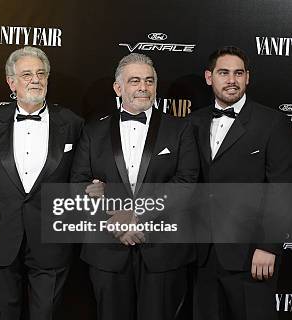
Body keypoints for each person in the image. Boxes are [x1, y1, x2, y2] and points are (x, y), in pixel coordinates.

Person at [70, 53, 199, 320]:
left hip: (163, 250)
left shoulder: (180, 129)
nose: (143, 87)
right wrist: (115, 221)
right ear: (119, 88)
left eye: (149, 81)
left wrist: (138, 216)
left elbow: (186, 182)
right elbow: (79, 185)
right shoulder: (93, 131)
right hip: (107, 250)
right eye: (135, 81)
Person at [0, 46, 84, 320]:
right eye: (26, 74)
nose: (35, 79)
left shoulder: (71, 123)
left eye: (40, 73)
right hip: (2, 239)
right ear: (11, 82)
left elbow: (79, 179)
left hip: (52, 240)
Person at [189, 46, 292, 320]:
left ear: (247, 77)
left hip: (251, 256)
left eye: (238, 73)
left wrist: (269, 246)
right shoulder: (193, 122)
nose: (231, 80)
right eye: (224, 73)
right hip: (203, 256)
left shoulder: (272, 122)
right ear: (209, 78)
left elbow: (282, 189)